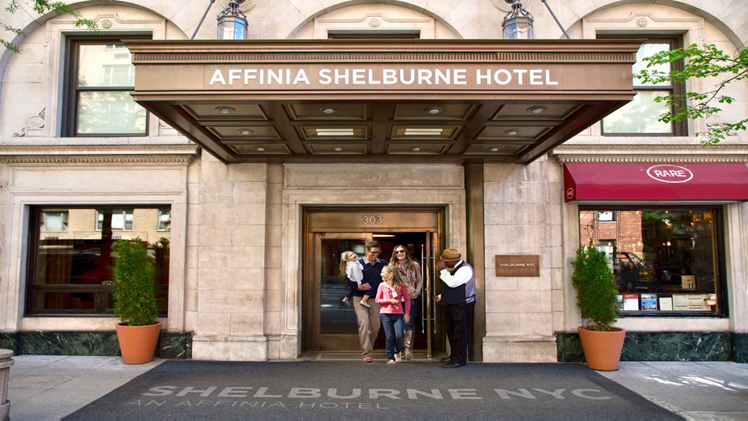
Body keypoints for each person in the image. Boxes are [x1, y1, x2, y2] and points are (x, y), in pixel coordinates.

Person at [347, 240, 386, 363]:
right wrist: (358, 286)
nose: (375, 255)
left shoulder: (383, 264)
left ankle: (369, 348)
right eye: (373, 252)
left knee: (375, 327)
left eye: (377, 252)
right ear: (366, 251)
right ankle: (367, 353)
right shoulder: (357, 263)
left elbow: (389, 278)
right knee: (364, 324)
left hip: (376, 299)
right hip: (360, 299)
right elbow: (348, 281)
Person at [435, 248, 475, 368]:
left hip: (462, 306)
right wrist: (441, 296)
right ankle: (454, 356)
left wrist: (443, 270)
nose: (443, 263)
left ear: (451, 261)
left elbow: (453, 283)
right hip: (454, 304)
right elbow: (455, 288)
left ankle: (459, 359)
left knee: (459, 333)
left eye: (445, 261)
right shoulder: (455, 268)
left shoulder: (465, 269)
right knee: (452, 332)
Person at [390, 245, 422, 361]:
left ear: (406, 252)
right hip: (397, 299)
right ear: (394, 254)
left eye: (401, 251)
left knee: (409, 322)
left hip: (411, 298)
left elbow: (420, 280)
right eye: (397, 252)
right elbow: (388, 282)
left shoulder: (414, 265)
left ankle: (408, 350)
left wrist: (417, 292)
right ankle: (398, 350)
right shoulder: (392, 266)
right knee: (398, 324)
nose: (399, 253)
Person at [375, 265, 410, 364]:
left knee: (399, 336)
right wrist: (389, 300)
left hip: (398, 314)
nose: (381, 274)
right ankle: (390, 357)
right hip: (385, 314)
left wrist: (407, 313)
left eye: (383, 272)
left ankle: (397, 351)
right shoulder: (382, 285)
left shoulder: (401, 286)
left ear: (390, 274)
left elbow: (407, 300)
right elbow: (377, 300)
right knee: (389, 337)